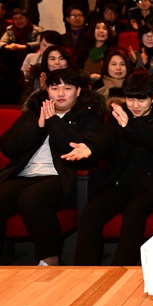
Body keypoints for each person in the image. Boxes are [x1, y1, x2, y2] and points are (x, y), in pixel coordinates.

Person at [68, 71, 153, 266]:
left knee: (134, 212)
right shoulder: (119, 114)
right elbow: (107, 138)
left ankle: (121, 271)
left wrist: (130, 125)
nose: (135, 106)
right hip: (122, 181)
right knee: (92, 211)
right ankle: (84, 271)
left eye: (141, 100)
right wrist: (90, 147)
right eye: (130, 100)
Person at [0, 68, 106, 266]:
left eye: (67, 88)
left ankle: (50, 258)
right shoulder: (33, 113)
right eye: (54, 88)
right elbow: (8, 145)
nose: (60, 93)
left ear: (78, 91)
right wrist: (37, 126)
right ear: (47, 91)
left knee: (31, 198)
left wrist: (53, 122)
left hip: (62, 177)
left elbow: (80, 148)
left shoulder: (88, 116)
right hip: (25, 175)